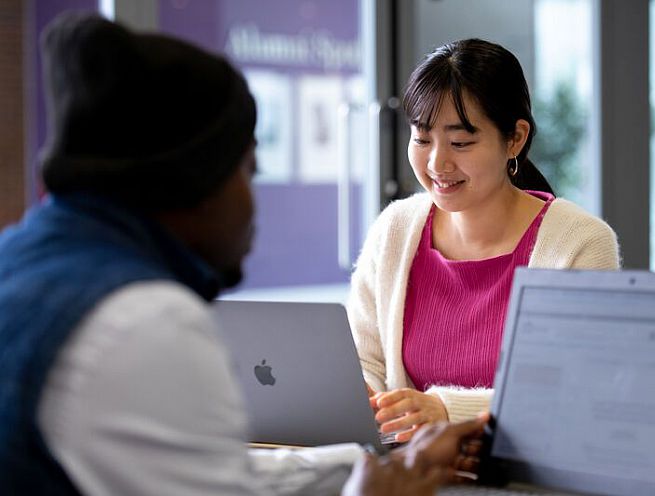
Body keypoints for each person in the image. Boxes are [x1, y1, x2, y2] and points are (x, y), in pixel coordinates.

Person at [0, 13, 487, 495]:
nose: (253, 203)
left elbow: (200, 473)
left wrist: (361, 467)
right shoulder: (143, 320)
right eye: (249, 170)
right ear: (198, 181)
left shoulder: (21, 261)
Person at [348, 38, 620, 443]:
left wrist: (446, 411)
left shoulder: (578, 244)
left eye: (460, 142)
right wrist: (363, 397)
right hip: (414, 476)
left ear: (515, 139)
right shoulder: (395, 230)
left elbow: (575, 389)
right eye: (422, 139)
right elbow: (363, 359)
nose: (437, 163)